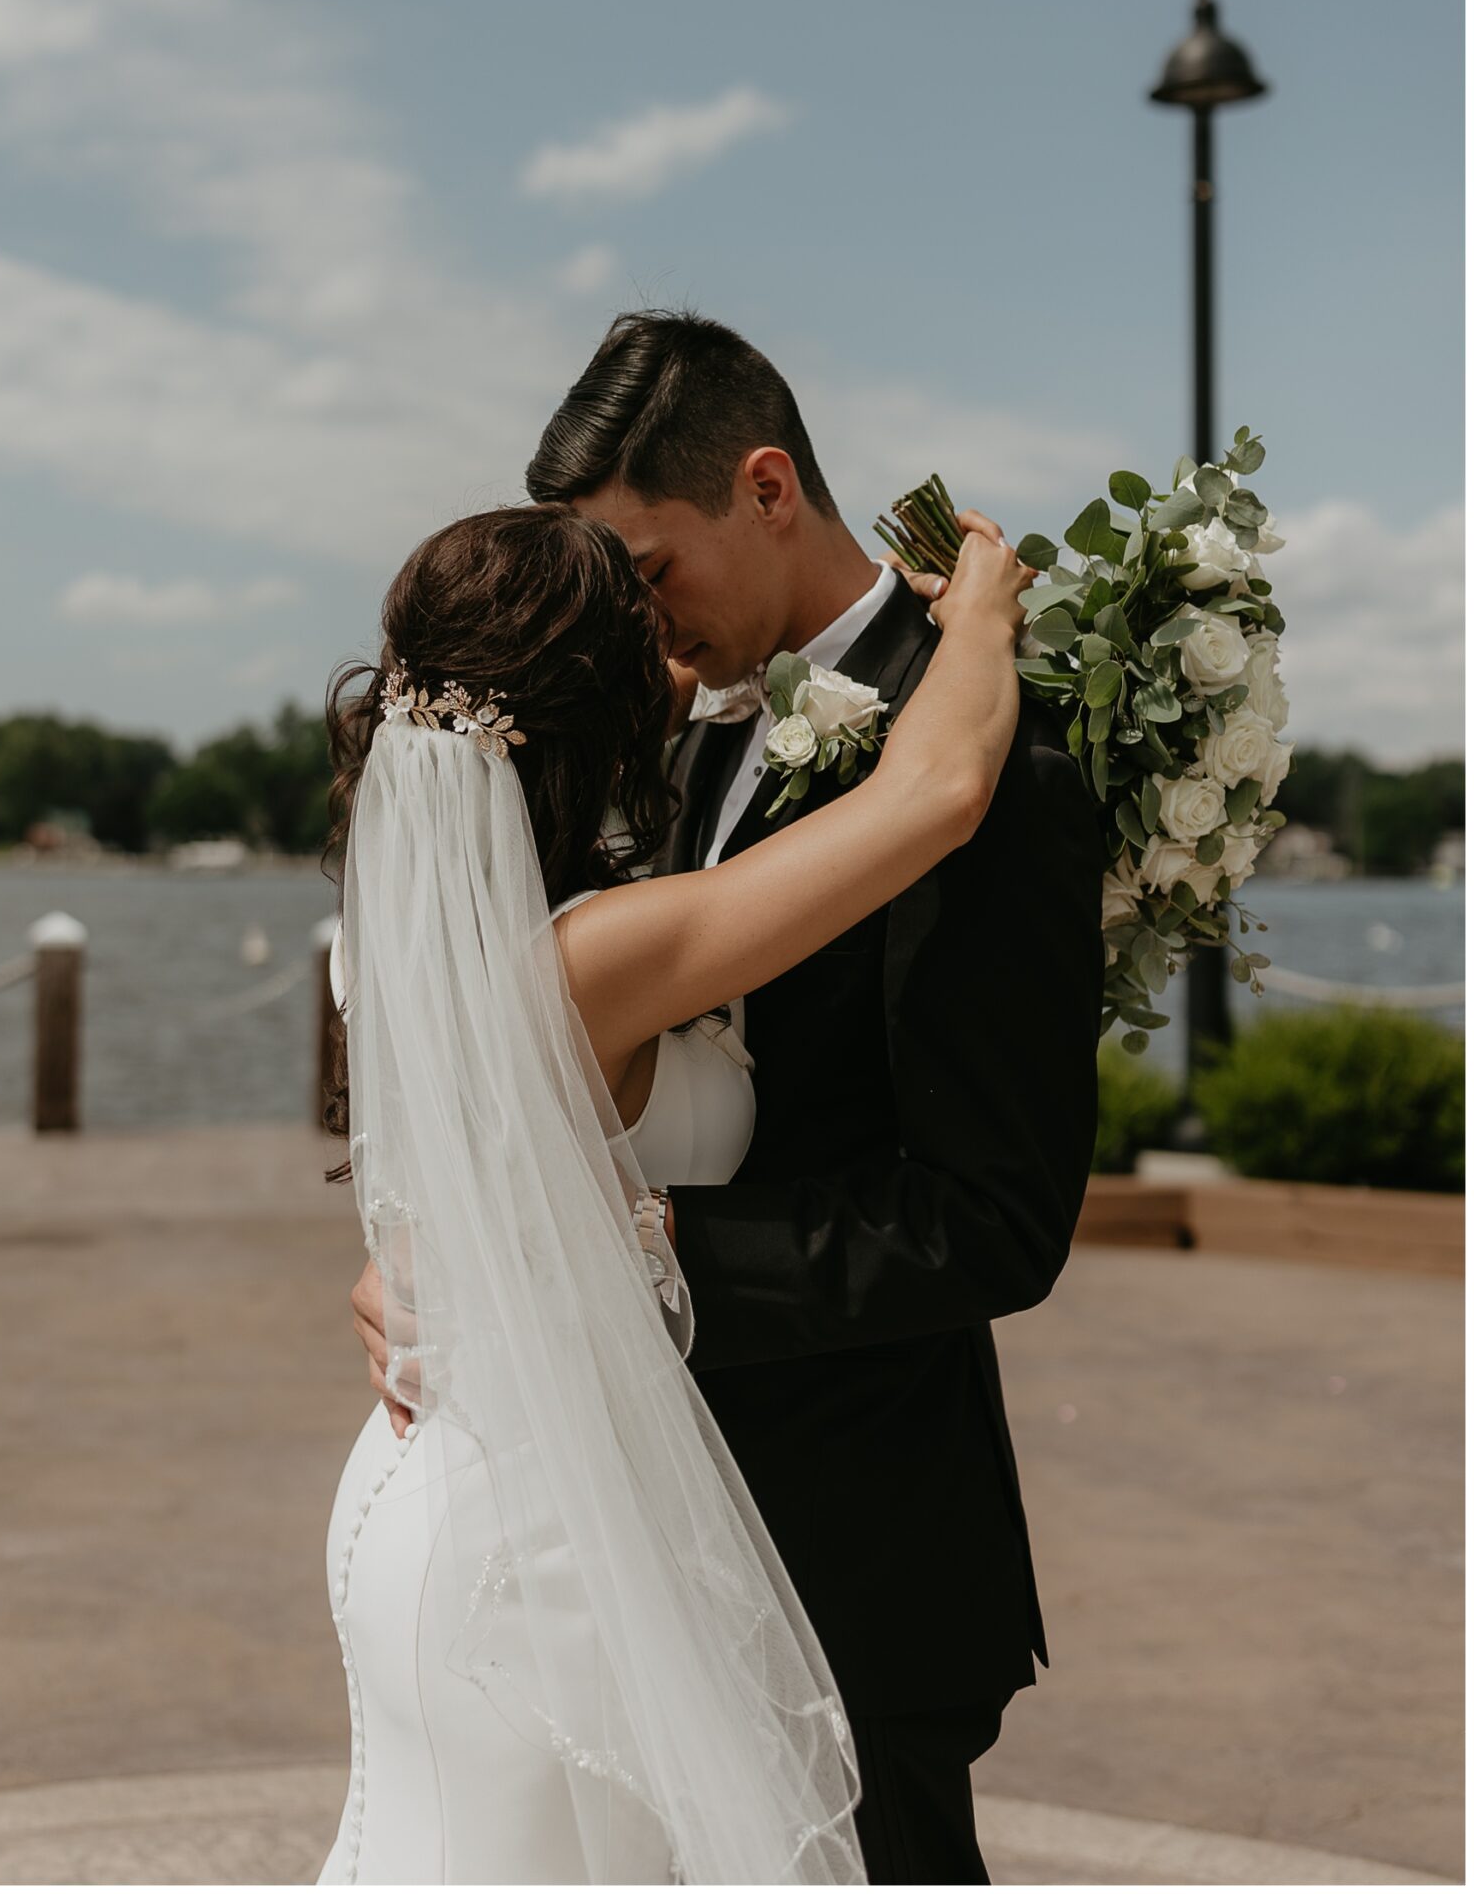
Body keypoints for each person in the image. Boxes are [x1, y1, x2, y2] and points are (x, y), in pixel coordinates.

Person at [348, 309, 1107, 1884]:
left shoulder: (1001, 770)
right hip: (605, 1562)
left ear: (766, 486)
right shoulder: (671, 773)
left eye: (645, 569)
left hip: (849, 1554)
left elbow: (991, 1218)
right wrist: (486, 1264)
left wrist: (585, 1262)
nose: (641, 626)